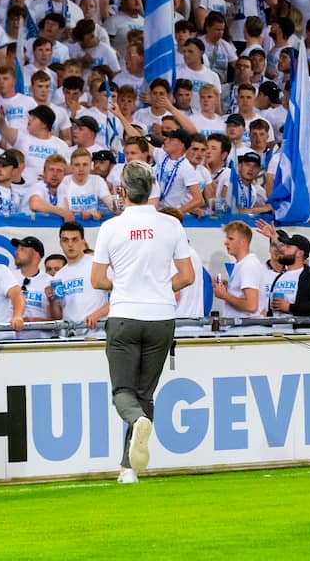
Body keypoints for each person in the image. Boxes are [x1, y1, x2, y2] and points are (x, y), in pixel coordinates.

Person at [91, 160, 195, 484]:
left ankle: (135, 426)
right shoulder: (171, 226)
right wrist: (163, 286)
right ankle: (128, 469)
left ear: (122, 191)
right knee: (145, 393)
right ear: (151, 189)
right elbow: (187, 276)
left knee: (123, 391)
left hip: (124, 315)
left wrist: (123, 283)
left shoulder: (111, 227)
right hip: (162, 317)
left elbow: (97, 280)